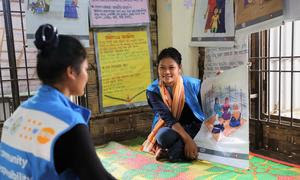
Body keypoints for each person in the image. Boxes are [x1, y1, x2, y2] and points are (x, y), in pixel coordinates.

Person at [0, 24, 115, 180]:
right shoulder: (68, 124)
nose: (87, 76)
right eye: (86, 69)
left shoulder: (22, 111)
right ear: (71, 72)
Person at [141, 47, 206, 162]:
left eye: (171, 67)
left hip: (194, 127)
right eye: (162, 68)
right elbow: (169, 119)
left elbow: (210, 95)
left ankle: (170, 153)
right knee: (162, 136)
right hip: (171, 128)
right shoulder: (153, 90)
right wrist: (188, 140)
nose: (167, 72)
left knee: (201, 132)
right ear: (158, 69)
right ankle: (178, 150)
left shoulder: (193, 84)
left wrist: (218, 80)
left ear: (179, 68)